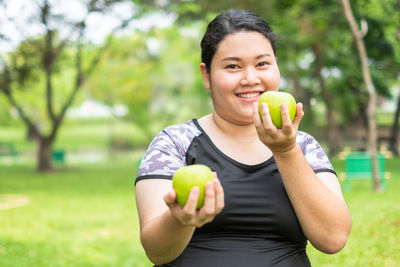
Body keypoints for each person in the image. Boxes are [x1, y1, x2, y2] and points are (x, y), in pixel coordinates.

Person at [135, 9, 352, 267]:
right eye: (233, 66)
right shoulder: (174, 143)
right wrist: (181, 220)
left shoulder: (303, 145)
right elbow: (157, 251)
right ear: (207, 75)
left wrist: (285, 150)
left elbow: (333, 238)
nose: (250, 79)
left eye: (262, 64)